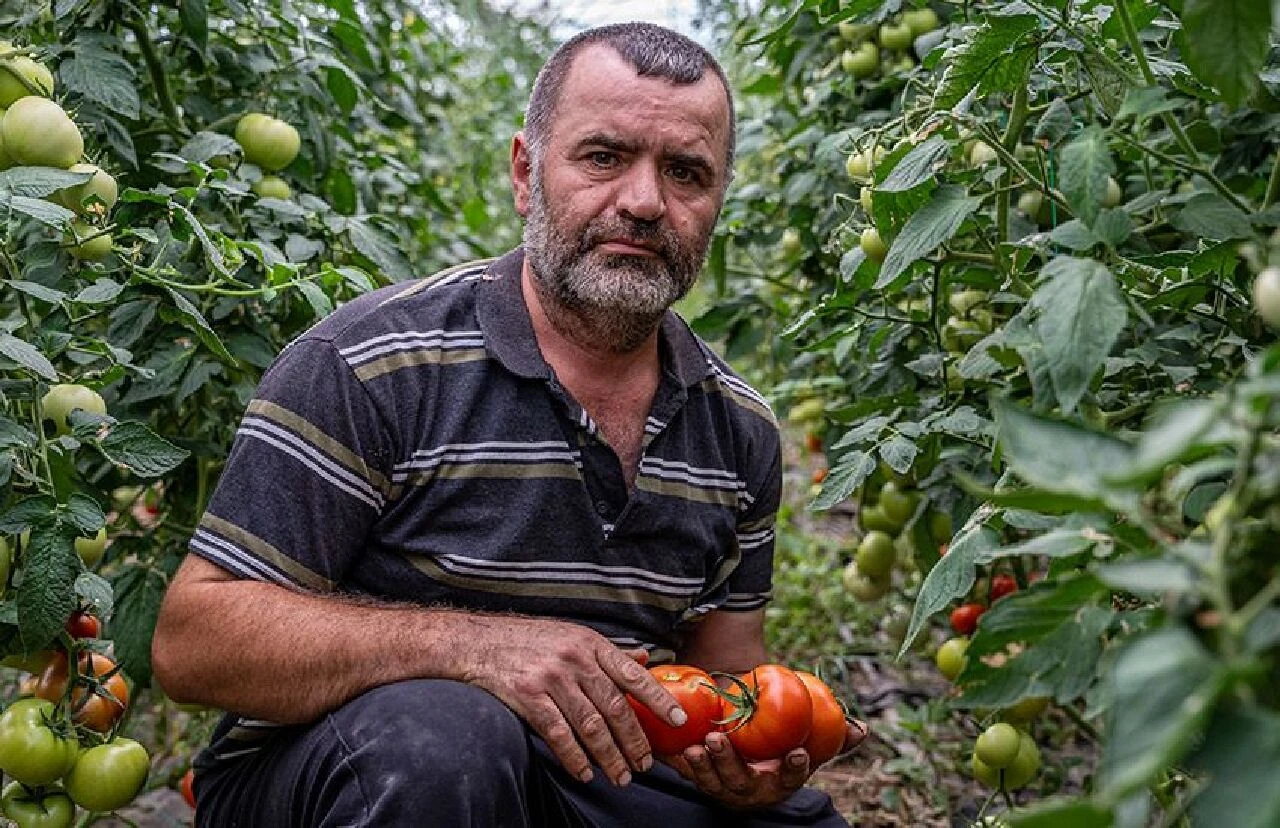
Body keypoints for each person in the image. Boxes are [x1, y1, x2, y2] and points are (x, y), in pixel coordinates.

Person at [151, 21, 867, 827]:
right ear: (526, 174)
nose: (642, 201)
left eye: (686, 172)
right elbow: (194, 641)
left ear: (717, 202)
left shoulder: (736, 428)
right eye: (603, 157)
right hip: (341, 771)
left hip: (596, 767)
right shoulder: (374, 363)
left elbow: (725, 680)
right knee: (443, 741)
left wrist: (743, 763)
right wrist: (475, 651)